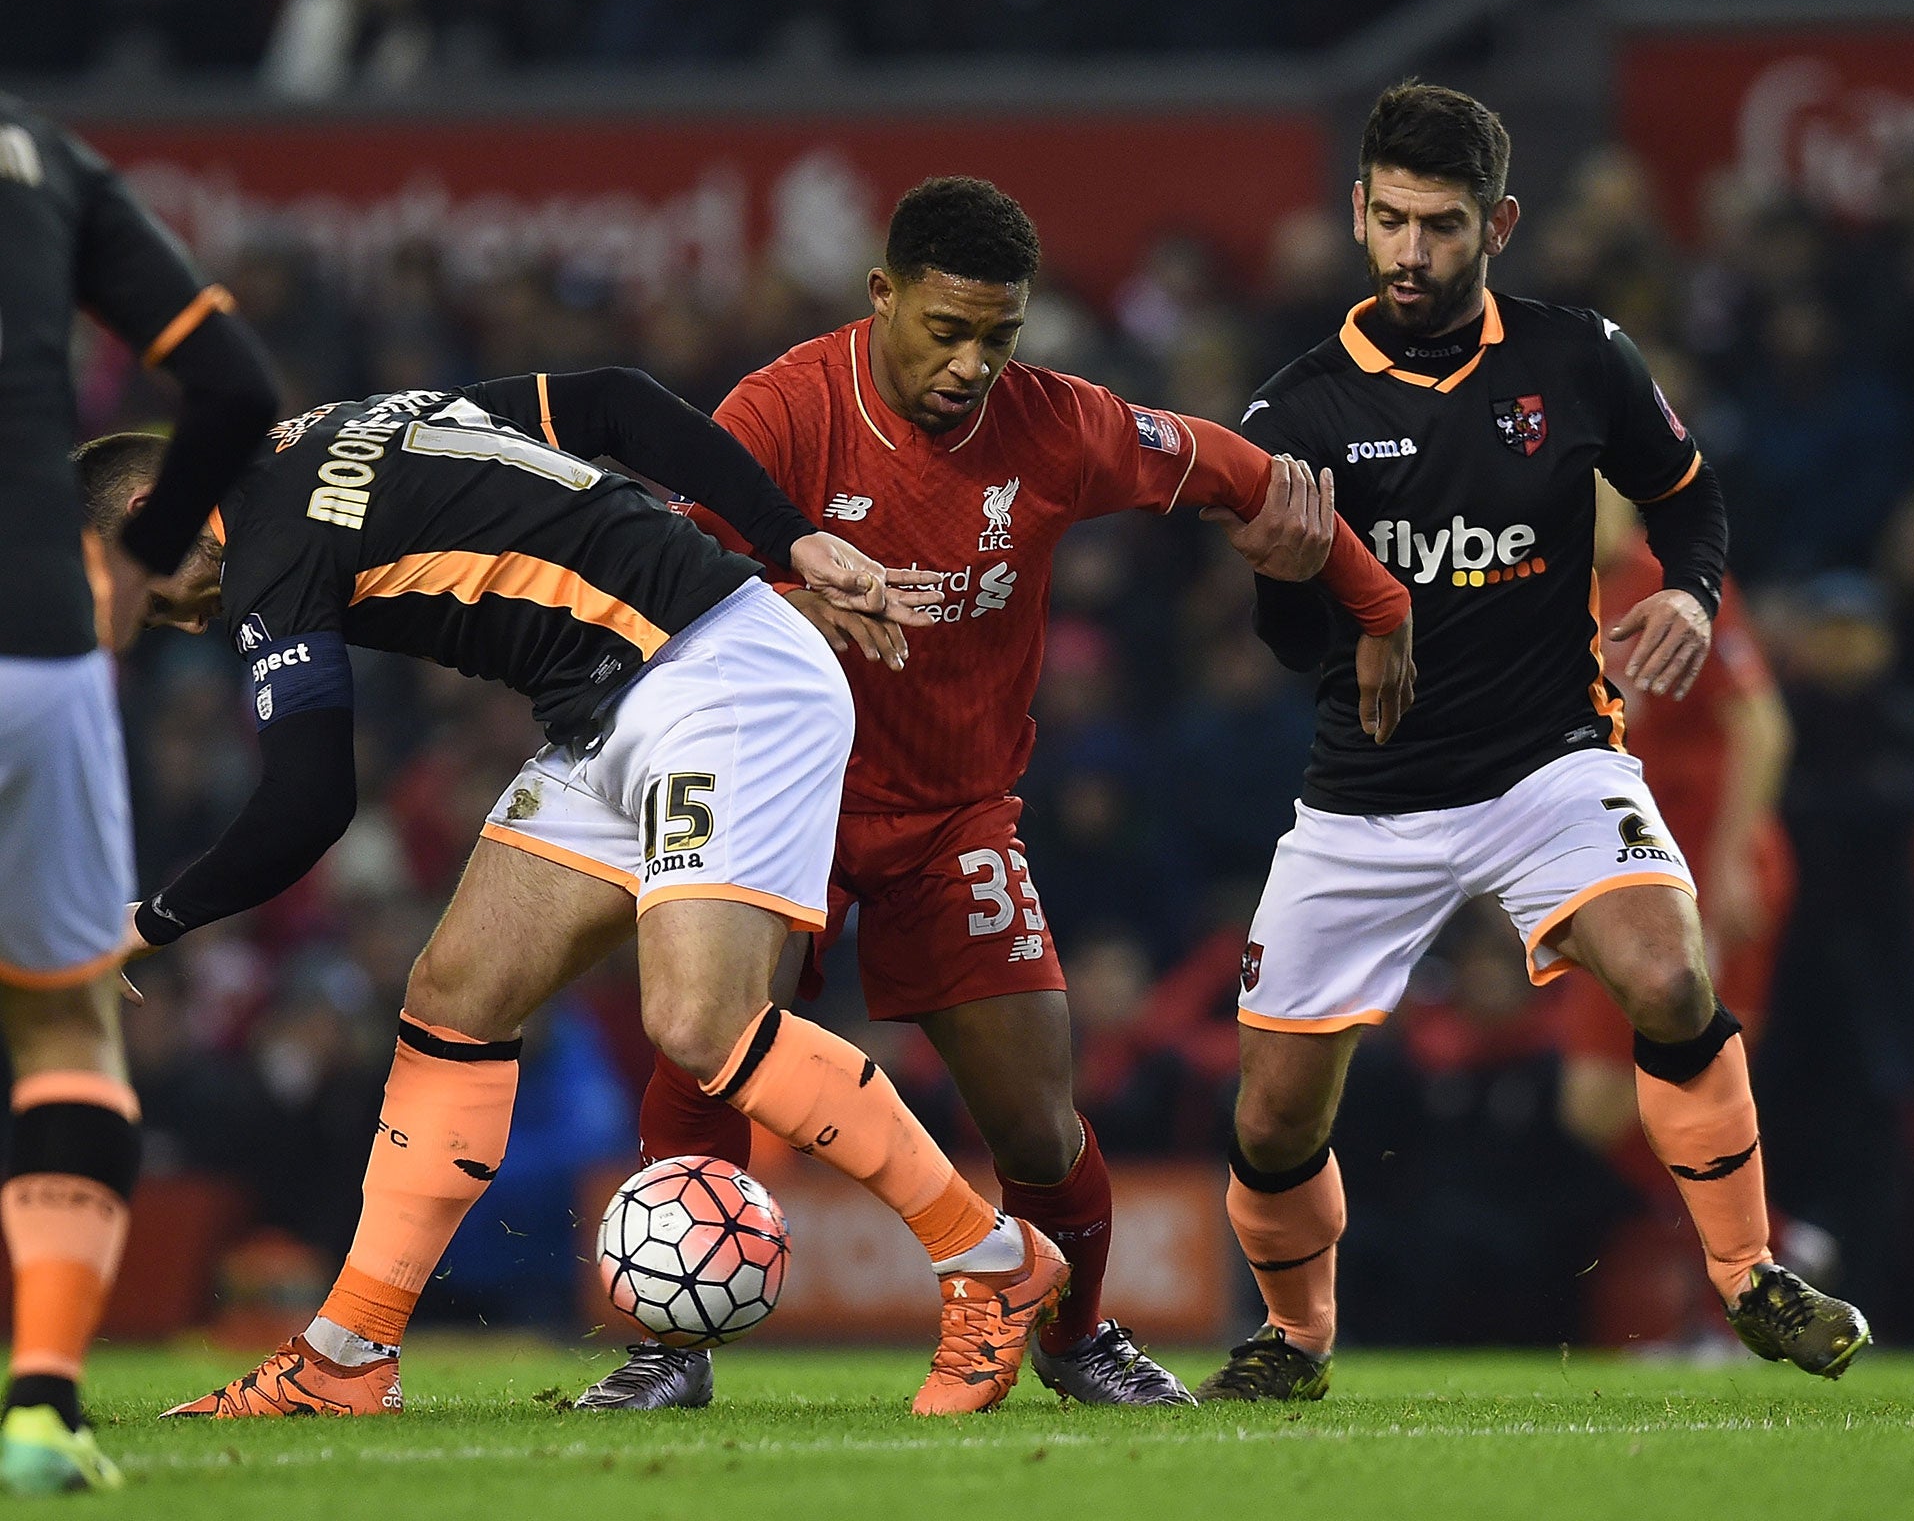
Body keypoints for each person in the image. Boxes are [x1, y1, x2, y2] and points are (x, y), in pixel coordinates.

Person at [581, 176, 1413, 1411]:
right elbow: (652, 567)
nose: (972, 365)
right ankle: (669, 1352)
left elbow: (1229, 467)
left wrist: (1376, 602)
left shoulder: (1054, 425)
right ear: (882, 297)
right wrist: (798, 604)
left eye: (999, 335)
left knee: (1037, 1119)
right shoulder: (784, 410)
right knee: (709, 1051)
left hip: (955, 814)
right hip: (779, 799)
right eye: (946, 330)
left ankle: (1075, 1343)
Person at [98, 364, 1069, 1420]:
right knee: (454, 993)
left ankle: (990, 1258)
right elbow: (608, 400)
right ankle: (347, 1354)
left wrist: (148, 928)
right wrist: (784, 538)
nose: (161, 621)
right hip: (616, 700)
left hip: (716, 682)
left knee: (702, 1024)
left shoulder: (271, 555)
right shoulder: (329, 427)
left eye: (134, 593)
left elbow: (307, 801)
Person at [1197, 81, 1870, 1402]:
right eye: (1388, 221)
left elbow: (1690, 501)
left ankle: (1750, 1276)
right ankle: (1298, 1340)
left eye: (1440, 226)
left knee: (1672, 976)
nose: (1409, 252)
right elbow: (1289, 650)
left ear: (1496, 223)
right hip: (1366, 799)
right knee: (1274, 1117)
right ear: (1357, 213)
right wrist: (1289, 581)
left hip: (1549, 763)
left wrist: (1688, 590)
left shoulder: (1580, 359)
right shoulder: (1297, 414)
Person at [0, 93, 280, 1494]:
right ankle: (44, 1408)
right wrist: (134, 567)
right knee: (65, 1036)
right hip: (42, 639)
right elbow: (233, 387)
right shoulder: (49, 158)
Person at [1555, 488, 1798, 1283]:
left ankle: (1748, 1271)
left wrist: (1733, 860)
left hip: (1705, 866)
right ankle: (1777, 1246)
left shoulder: (1678, 590)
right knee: (1594, 1107)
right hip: (1622, 877)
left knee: (1690, 1082)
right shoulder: (1544, 597)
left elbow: (1761, 726)